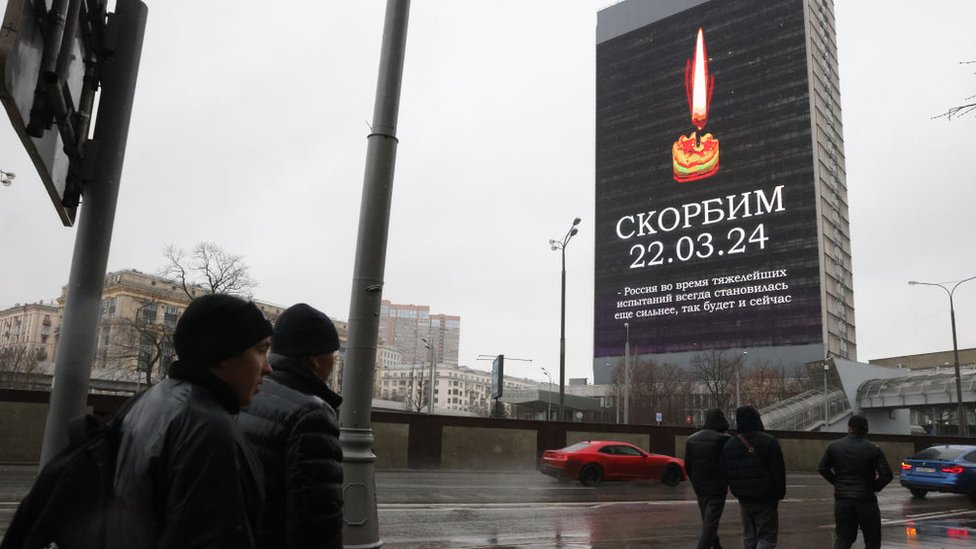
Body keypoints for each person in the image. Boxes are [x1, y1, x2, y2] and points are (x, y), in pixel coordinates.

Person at [110, 293, 273, 548]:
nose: (267, 368)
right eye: (261, 350)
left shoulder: (148, 401)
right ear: (223, 353)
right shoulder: (209, 429)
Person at [239, 303, 344, 549]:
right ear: (315, 358)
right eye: (332, 353)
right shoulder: (312, 415)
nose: (332, 362)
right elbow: (316, 525)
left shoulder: (246, 393)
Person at [817, 415, 893, 549]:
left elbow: (822, 468)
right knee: (872, 540)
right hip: (866, 500)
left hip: (842, 500)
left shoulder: (835, 447)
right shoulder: (874, 449)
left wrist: (837, 482)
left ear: (849, 428)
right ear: (866, 430)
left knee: (843, 539)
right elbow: (887, 475)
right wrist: (873, 487)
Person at [721, 405, 786, 549]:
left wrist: (736, 490)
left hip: (744, 498)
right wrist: (779, 494)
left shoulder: (730, 444)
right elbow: (778, 471)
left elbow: (725, 472)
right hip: (766, 498)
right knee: (767, 537)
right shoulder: (769, 441)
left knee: (749, 536)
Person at [685, 408, 732, 549]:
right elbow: (728, 465)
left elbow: (688, 465)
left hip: (700, 487)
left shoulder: (691, 439)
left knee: (709, 521)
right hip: (717, 488)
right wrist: (726, 482)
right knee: (710, 523)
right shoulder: (724, 439)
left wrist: (695, 480)